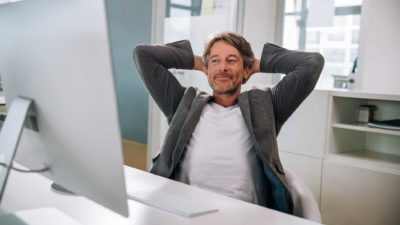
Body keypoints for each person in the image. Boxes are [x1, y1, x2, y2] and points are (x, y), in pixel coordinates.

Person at [133, 32, 324, 214]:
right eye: (216, 60)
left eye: (231, 60)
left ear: (246, 70)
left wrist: (255, 64)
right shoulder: (183, 103)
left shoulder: (268, 108)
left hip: (241, 215)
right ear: (207, 70)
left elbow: (312, 63)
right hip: (184, 211)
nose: (223, 67)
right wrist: (200, 63)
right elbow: (143, 55)